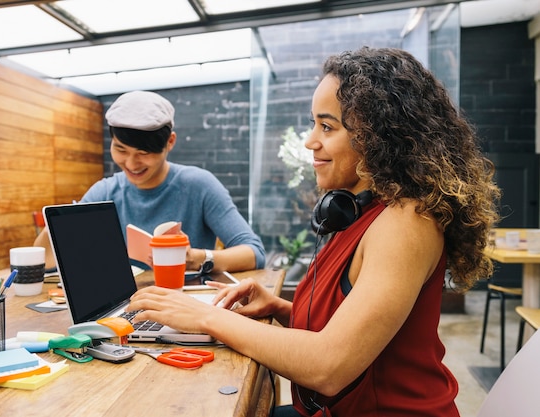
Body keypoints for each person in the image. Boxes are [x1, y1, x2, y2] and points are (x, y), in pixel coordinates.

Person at [127, 47, 501, 416]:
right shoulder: (358, 211)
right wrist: (279, 308)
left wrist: (206, 317)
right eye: (313, 124)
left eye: (328, 126)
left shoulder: (407, 222)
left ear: (380, 136)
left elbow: (329, 367)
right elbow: (353, 328)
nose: (310, 141)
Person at [34, 90, 265, 273]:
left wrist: (196, 258)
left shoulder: (198, 185)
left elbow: (254, 253)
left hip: (186, 304)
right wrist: (57, 226)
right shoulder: (104, 192)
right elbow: (42, 262)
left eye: (144, 152)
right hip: (124, 308)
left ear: (170, 142)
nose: (131, 164)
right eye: (120, 149)